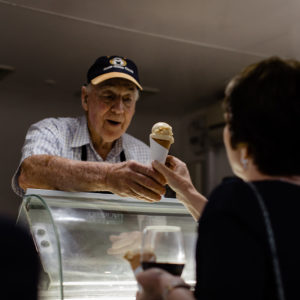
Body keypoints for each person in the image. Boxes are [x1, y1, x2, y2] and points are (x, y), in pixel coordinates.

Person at [136, 57, 300, 300]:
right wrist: (186, 192)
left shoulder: (235, 201)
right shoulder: (250, 207)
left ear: (240, 139)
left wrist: (167, 287)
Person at [12, 55, 166, 201]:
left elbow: (154, 220)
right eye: (108, 96)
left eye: (127, 99)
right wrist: (108, 177)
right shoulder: (52, 131)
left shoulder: (144, 154)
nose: (118, 109)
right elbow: (30, 174)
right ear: (85, 98)